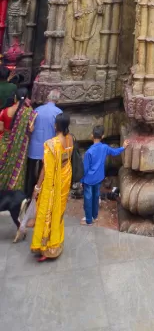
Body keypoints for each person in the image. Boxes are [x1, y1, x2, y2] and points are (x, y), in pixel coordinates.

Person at [31, 112, 73, 262]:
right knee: (59, 210)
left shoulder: (51, 144)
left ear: (56, 125)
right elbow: (67, 159)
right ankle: (56, 240)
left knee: (47, 210)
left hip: (54, 181)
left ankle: (47, 247)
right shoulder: (70, 139)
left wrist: (37, 187)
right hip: (65, 177)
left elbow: (46, 169)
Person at [81, 125, 127, 226]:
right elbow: (115, 152)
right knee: (96, 195)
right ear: (103, 136)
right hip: (99, 177)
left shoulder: (89, 152)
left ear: (92, 135)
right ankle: (95, 216)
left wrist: (81, 181)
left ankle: (89, 220)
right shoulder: (104, 148)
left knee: (88, 199)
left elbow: (85, 169)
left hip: (88, 179)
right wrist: (123, 147)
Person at [26, 89, 62, 199]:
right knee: (44, 171)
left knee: (30, 170)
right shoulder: (58, 112)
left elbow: (30, 126)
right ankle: (40, 194)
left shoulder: (37, 109)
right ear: (58, 99)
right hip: (48, 146)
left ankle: (27, 193)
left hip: (35, 144)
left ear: (48, 97)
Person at [0, 87, 36, 190]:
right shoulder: (28, 112)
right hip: (20, 148)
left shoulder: (4, 111)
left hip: (3, 145)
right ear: (26, 98)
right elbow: (31, 129)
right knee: (17, 171)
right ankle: (14, 191)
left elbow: (1, 128)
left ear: (15, 97)